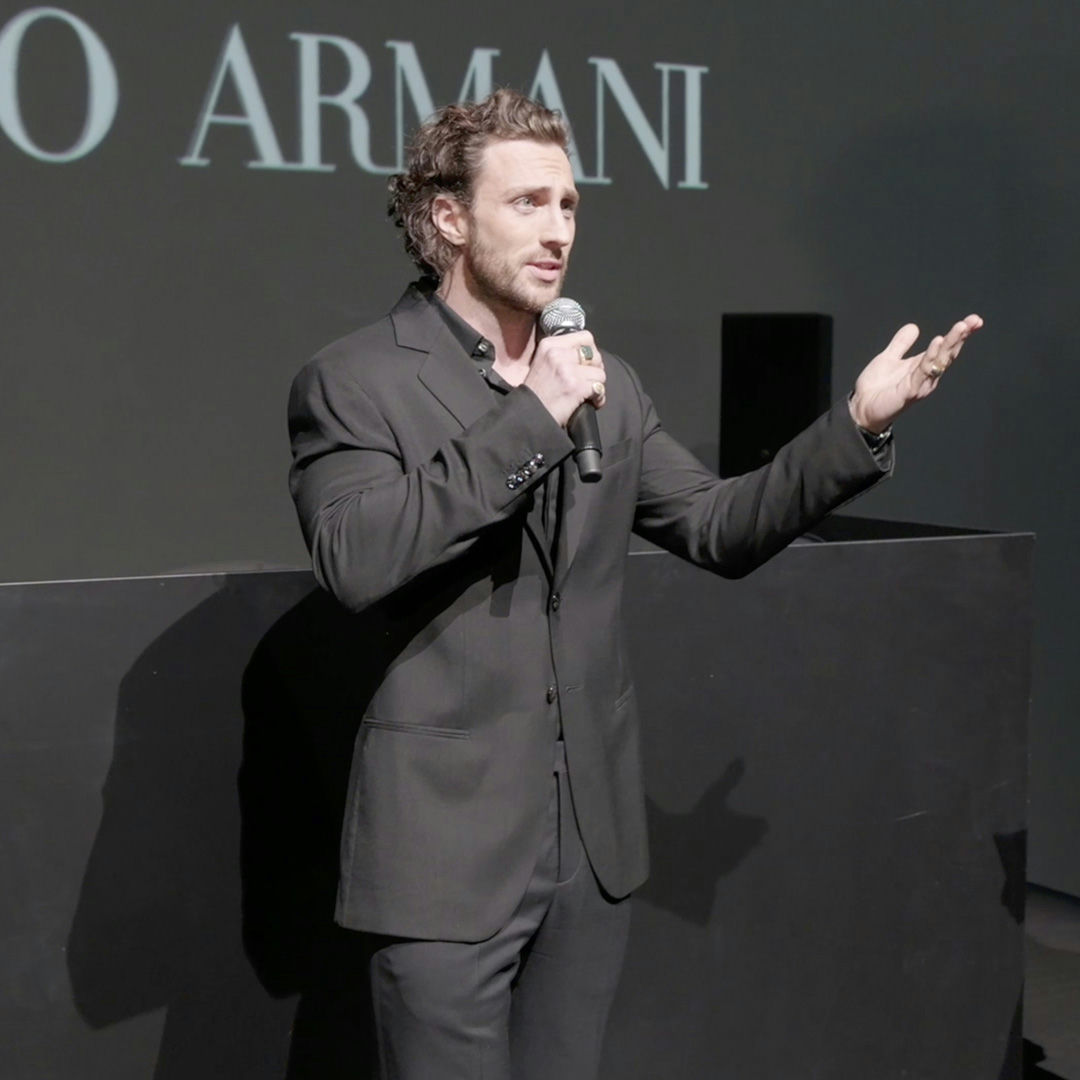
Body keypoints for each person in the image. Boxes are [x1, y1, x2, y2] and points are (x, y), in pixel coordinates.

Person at [287, 88, 981, 1080]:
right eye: (527, 203)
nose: (558, 230)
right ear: (449, 219)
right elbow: (355, 556)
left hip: (590, 844)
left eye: (568, 206)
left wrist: (857, 428)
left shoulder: (604, 378)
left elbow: (718, 525)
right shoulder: (357, 380)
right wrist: (535, 416)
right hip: (446, 855)